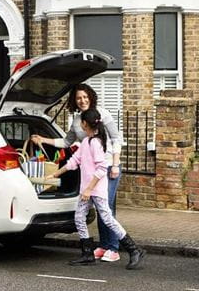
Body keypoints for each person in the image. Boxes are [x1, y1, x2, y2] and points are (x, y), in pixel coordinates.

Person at [31, 84, 123, 262]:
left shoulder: (103, 114)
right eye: (79, 98)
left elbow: (116, 139)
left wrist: (116, 164)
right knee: (100, 207)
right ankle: (104, 246)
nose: (82, 101)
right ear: (75, 100)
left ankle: (114, 247)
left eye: (85, 97)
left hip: (108, 167)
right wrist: (43, 139)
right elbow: (66, 142)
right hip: (92, 171)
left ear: (91, 97)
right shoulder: (76, 121)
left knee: (107, 208)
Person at [46, 109, 144, 269]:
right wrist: (55, 174)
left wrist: (88, 190)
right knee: (79, 218)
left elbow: (101, 168)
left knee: (107, 219)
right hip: (87, 190)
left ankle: (134, 249)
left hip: (95, 190)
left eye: (80, 122)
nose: (79, 124)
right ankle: (87, 254)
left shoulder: (96, 143)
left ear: (85, 124)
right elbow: (74, 161)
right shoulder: (86, 142)